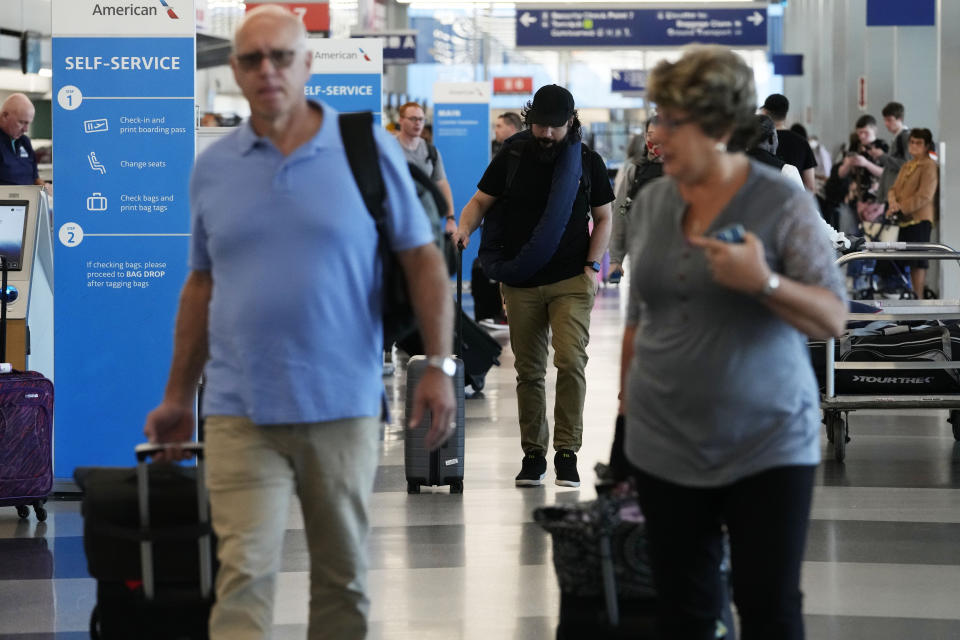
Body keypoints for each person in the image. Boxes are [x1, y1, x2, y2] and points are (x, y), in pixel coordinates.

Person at [143, 7, 456, 639]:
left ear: (306, 64)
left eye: (281, 56)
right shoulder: (215, 167)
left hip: (341, 404)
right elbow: (200, 284)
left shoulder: (365, 150)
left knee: (342, 580)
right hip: (238, 408)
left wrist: (439, 364)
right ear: (233, 70)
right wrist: (178, 394)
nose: (267, 71)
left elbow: (423, 260)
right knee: (242, 577)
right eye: (252, 59)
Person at [619, 47, 847, 639]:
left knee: (766, 604)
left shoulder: (781, 201)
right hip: (664, 442)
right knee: (684, 610)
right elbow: (639, 320)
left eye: (673, 123)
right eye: (657, 119)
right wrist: (625, 421)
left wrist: (764, 282)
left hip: (765, 443)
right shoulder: (653, 203)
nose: (657, 136)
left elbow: (832, 317)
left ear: (719, 128)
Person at [453, 84, 614, 488]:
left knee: (571, 361)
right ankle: (533, 454)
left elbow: (605, 218)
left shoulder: (587, 162)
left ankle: (566, 452)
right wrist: (464, 228)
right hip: (521, 281)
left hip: (571, 280)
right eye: (539, 125)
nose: (545, 134)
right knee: (528, 370)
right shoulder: (514, 155)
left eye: (554, 127)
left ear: (570, 123)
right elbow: (479, 202)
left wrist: (592, 267)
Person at [608, 115, 663, 281]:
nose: (655, 141)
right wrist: (616, 259)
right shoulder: (635, 172)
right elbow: (621, 212)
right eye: (651, 135)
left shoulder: (684, 172)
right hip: (642, 253)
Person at [888, 128, 939, 295]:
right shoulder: (907, 165)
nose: (914, 146)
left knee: (918, 262)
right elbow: (893, 189)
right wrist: (893, 203)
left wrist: (901, 206)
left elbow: (925, 195)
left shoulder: (929, 165)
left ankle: (919, 298)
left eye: (919, 143)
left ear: (926, 146)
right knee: (906, 260)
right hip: (904, 219)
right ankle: (911, 297)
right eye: (912, 142)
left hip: (920, 219)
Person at [395, 102, 455, 235]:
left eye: (421, 119)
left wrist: (450, 218)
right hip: (397, 217)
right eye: (413, 119)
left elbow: (441, 183)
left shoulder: (431, 151)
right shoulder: (389, 148)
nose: (418, 123)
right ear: (401, 120)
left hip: (427, 216)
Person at [759, 93, 817, 191]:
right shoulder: (802, 142)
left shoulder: (760, 140)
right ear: (785, 114)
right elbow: (810, 186)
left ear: (765, 112)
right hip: (792, 201)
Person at [0, 93, 45, 189]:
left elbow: (35, 178)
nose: (26, 129)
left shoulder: (24, 141)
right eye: (21, 122)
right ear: (5, 116)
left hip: (27, 201)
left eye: (28, 123)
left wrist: (45, 188)